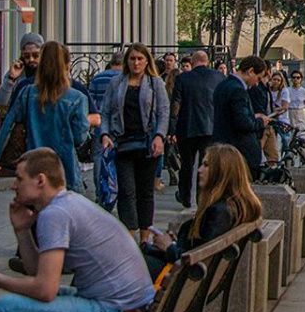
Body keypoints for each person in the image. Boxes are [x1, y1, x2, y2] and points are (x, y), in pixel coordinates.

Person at [0, 148, 155, 312]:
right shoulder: (66, 204)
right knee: (29, 299)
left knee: (3, 311)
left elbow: (44, 290)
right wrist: (22, 230)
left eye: (19, 179)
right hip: (129, 310)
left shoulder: (55, 214)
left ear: (40, 180)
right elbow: (38, 274)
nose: (14, 185)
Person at [141, 144, 262, 280]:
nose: (199, 170)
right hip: (189, 276)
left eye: (206, 165)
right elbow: (201, 248)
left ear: (221, 171)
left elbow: (196, 261)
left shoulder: (220, 212)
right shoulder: (232, 206)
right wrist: (177, 241)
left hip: (181, 277)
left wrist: (168, 247)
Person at [0, 42, 89, 194]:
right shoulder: (77, 98)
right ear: (66, 65)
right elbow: (79, 137)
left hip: (33, 164)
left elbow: (8, 126)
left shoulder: (27, 93)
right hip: (64, 167)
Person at [98, 43, 169, 241]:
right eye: (132, 59)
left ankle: (145, 238)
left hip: (147, 144)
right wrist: (104, 134)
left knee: (145, 191)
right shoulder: (117, 83)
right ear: (127, 61)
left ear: (147, 61)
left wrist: (159, 136)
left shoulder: (155, 83)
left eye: (140, 59)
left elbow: (164, 112)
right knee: (126, 190)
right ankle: (129, 235)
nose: (136, 63)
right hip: (122, 143)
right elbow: (105, 111)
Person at [170, 50, 224, 208]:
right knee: (206, 164)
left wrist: (172, 129)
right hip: (210, 128)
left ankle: (185, 196)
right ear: (207, 61)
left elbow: (175, 105)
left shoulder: (182, 78)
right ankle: (202, 198)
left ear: (193, 62)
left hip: (187, 128)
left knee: (186, 165)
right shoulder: (218, 77)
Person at [211, 56, 271, 179]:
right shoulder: (238, 90)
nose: (257, 83)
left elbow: (230, 115)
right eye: (258, 78)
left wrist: (251, 116)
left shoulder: (223, 85)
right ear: (250, 71)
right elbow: (243, 123)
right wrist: (260, 121)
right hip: (239, 151)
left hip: (223, 146)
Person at [0, 32, 45, 108]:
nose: (31, 59)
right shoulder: (17, 71)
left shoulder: (49, 72)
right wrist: (11, 79)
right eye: (27, 56)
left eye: (35, 55)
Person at [267, 70, 293, 158]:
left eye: (278, 80)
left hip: (282, 118)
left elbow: (285, 107)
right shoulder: (268, 90)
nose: (276, 82)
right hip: (270, 119)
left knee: (285, 139)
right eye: (274, 79)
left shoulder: (284, 91)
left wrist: (274, 110)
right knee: (272, 140)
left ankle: (286, 157)